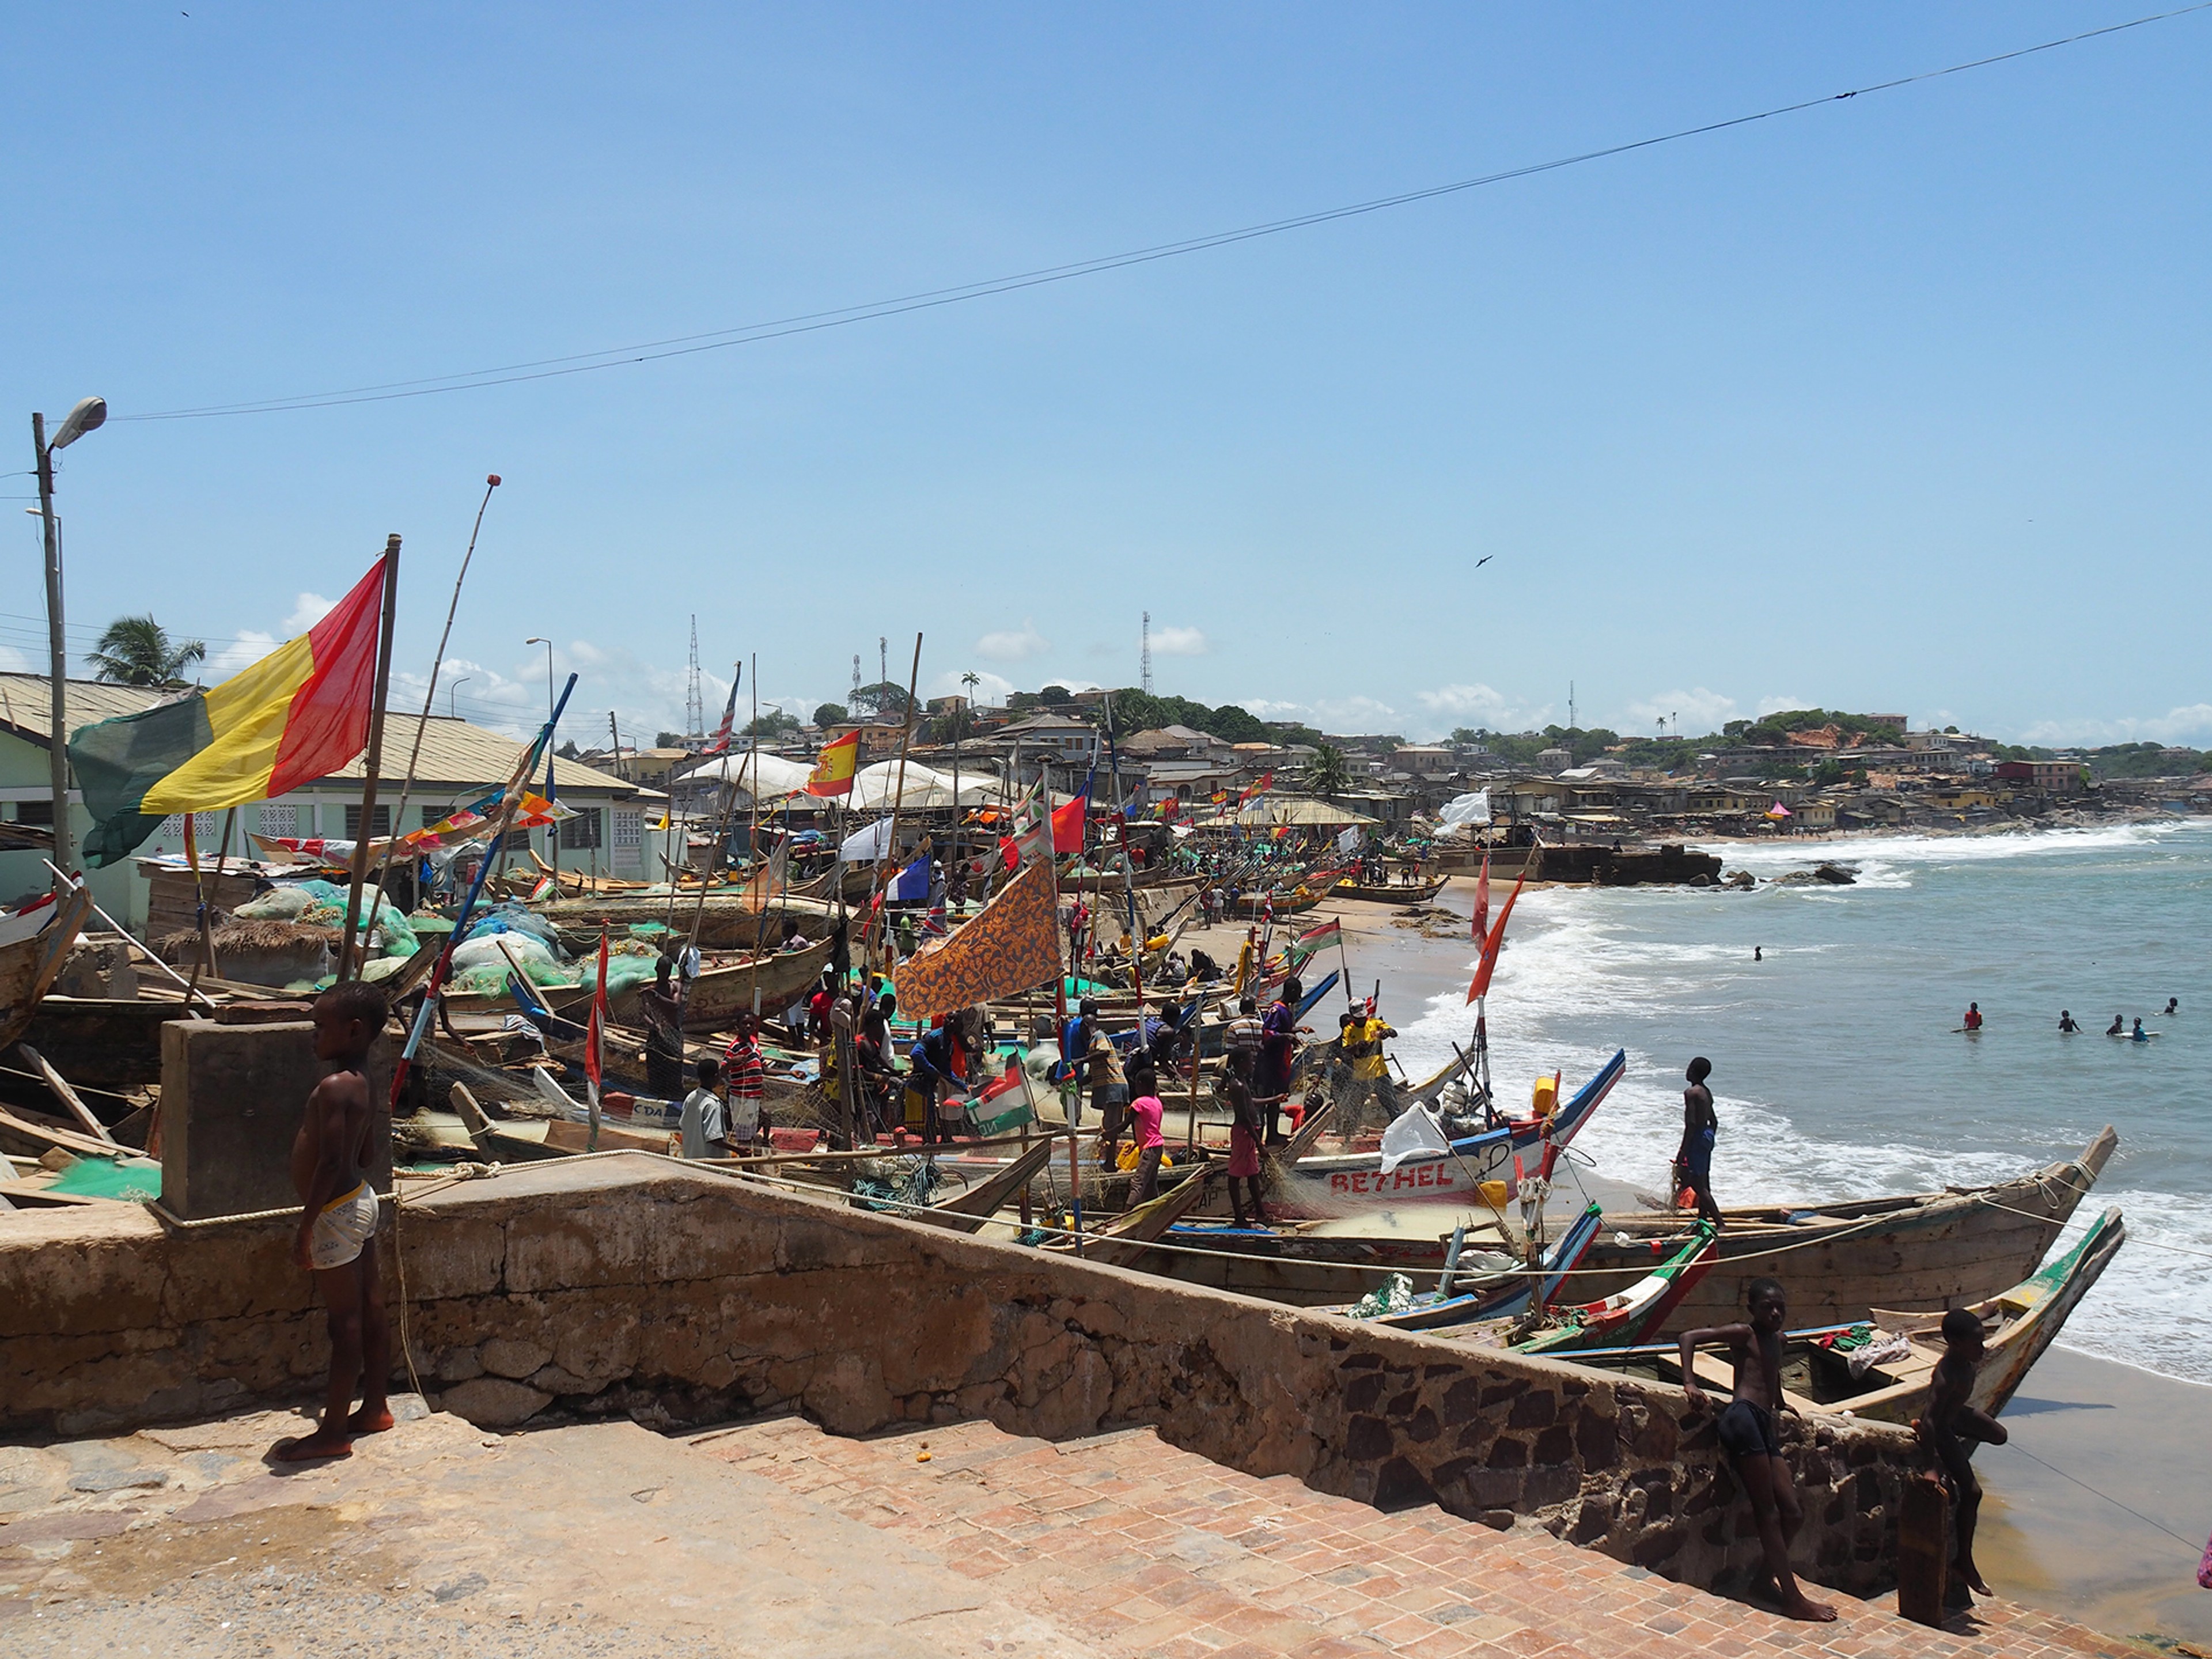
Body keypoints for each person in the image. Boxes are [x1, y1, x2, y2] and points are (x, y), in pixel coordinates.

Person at [277, 982, 393, 1462]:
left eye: (320, 1027)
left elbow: (328, 1162)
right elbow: (365, 1151)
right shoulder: (364, 1079)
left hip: (335, 1212)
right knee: (372, 1305)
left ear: (353, 1030)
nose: (313, 1035)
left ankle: (334, 1431)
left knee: (343, 1321)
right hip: (360, 1201)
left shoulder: (334, 1086)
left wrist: (307, 1228)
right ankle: (376, 1407)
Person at [1677, 1280, 1836, 1623]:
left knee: (1792, 1512)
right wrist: (1690, 1382)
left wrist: (1780, 1403)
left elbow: (1770, 1373)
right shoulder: (1743, 1334)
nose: (1775, 1313)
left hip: (1764, 1422)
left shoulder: (1778, 1340)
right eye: (1767, 1307)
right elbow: (1688, 1337)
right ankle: (1793, 1599)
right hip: (1743, 1418)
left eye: (1780, 1306)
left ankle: (1764, 1581)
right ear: (1752, 1309)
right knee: (1769, 1512)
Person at [1915, 1305, 2008, 1599]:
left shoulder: (1966, 1352)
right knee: (1972, 1492)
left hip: (1957, 1414)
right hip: (1941, 1425)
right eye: (1977, 1343)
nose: (1983, 1348)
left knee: (1999, 1436)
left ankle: (1953, 1436)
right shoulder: (1947, 1375)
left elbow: (1967, 1324)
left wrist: (1984, 1313)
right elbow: (1931, 1418)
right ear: (1955, 1344)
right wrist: (1929, 1467)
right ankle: (1963, 1561)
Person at [1336, 1004, 1399, 1144]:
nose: (1362, 1020)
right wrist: (1357, 1046)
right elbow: (1345, 1051)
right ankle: (1348, 1141)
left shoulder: (1375, 1023)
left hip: (1380, 1074)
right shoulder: (1349, 1030)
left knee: (1392, 1106)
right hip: (1361, 1077)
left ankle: (1399, 1136)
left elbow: (1394, 1032)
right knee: (1355, 1110)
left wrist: (1387, 1033)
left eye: (1363, 1017)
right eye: (1358, 1018)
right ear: (1353, 1017)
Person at [1254, 977, 1305, 1145]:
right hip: (1270, 1064)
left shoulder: (1286, 1010)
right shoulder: (1276, 1009)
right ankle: (1263, 1137)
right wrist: (1287, 1036)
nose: (1299, 997)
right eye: (1298, 993)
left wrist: (1297, 1031)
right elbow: (1268, 1033)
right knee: (1268, 1099)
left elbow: (1282, 1030)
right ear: (1291, 992)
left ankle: (1273, 1134)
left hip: (1281, 1062)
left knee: (1278, 1099)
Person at [1673, 1056, 1722, 1229]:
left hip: (1697, 1137)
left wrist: (1682, 1152)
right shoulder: (1706, 1092)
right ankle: (1702, 1221)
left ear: (1692, 1071)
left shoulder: (1691, 1093)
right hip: (1707, 1135)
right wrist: (1708, 1141)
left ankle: (1720, 1224)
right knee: (1704, 1181)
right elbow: (1714, 1121)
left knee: (1696, 1184)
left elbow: (1691, 1124)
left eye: (1688, 1067)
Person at [907, 1017, 968, 1145]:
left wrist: (964, 1087)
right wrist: (932, 1070)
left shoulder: (949, 1045)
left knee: (930, 1125)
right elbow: (916, 1053)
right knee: (922, 1125)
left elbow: (947, 1073)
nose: (950, 1022)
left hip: (928, 1088)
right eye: (949, 1019)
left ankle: (929, 1154)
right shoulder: (934, 1037)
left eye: (954, 1021)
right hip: (917, 1085)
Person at [637, 955, 687, 1100]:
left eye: (667, 971)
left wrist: (656, 995)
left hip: (673, 1034)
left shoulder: (675, 987)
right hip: (656, 1036)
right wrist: (653, 1025)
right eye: (661, 971)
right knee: (655, 1070)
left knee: (674, 1070)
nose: (664, 974)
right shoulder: (649, 990)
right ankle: (656, 1098)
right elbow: (644, 1013)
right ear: (656, 970)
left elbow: (676, 1005)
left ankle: (674, 1099)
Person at [1223, 1071, 1267, 1228]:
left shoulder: (1242, 1081)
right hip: (1244, 1132)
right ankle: (1239, 1219)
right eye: (1248, 1061)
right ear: (1241, 1062)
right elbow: (1244, 1117)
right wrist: (1260, 1144)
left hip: (1249, 1133)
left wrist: (1274, 1100)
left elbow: (1250, 1102)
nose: (1251, 1065)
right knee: (1235, 1176)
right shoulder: (1237, 1086)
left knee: (1253, 1174)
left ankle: (1261, 1213)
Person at [721, 1013, 768, 1152]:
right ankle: (746, 1168)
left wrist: (790, 1073)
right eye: (744, 1023)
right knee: (744, 1139)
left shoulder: (754, 1045)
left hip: (754, 1096)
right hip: (742, 1098)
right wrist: (731, 1063)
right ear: (738, 1026)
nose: (748, 1026)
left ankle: (759, 1148)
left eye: (751, 1024)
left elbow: (765, 1069)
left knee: (761, 1121)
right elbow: (722, 1072)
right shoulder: (734, 1048)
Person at [1088, 1022, 1131, 1166]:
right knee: (1108, 1125)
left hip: (1114, 1086)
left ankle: (1110, 1163)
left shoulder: (1099, 1036)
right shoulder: (1092, 1045)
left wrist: (1081, 1060)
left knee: (1111, 1127)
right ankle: (1109, 1161)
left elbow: (1104, 1052)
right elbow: (1091, 1075)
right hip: (1110, 1088)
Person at [679, 1056, 729, 1160]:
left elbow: (683, 1124)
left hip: (691, 1158)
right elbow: (714, 1138)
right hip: (710, 1164)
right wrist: (738, 1150)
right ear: (716, 1076)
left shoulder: (691, 1097)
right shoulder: (712, 1105)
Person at [1128, 1087, 1166, 1204]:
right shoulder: (1157, 1102)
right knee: (1150, 1183)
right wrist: (1137, 1143)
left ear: (1140, 1084)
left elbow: (1125, 1124)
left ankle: (1125, 1215)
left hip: (1149, 1149)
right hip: (1158, 1147)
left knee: (1137, 1183)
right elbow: (1150, 1127)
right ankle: (1155, 1210)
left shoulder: (1139, 1103)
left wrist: (1109, 1133)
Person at [1224, 995, 1263, 1082]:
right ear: (1254, 1009)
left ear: (1240, 1010)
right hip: (1260, 1072)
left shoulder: (1234, 1027)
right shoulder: (1263, 1026)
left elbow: (1231, 1054)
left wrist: (1225, 1078)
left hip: (1242, 1074)